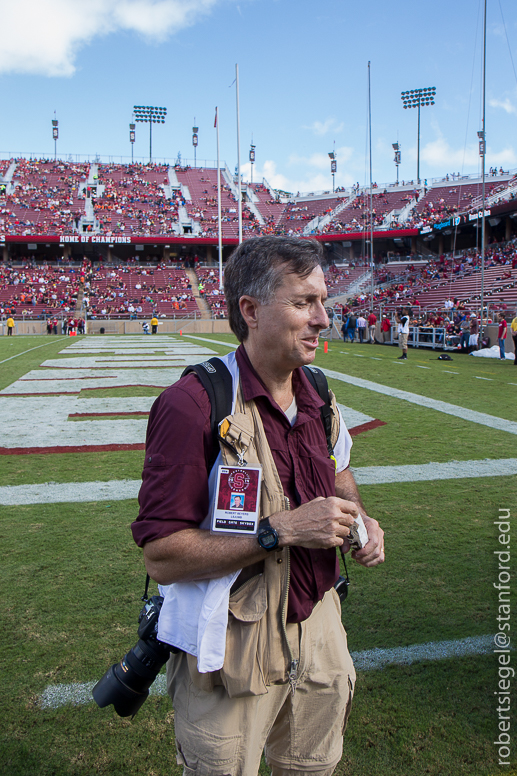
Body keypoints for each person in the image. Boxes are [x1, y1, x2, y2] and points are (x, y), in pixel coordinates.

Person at [132, 236, 384, 776]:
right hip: (229, 645)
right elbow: (163, 556)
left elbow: (340, 474)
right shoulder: (192, 404)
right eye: (302, 303)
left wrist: (360, 518)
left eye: (323, 301)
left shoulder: (318, 392)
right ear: (250, 310)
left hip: (320, 624)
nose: (323, 319)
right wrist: (279, 530)